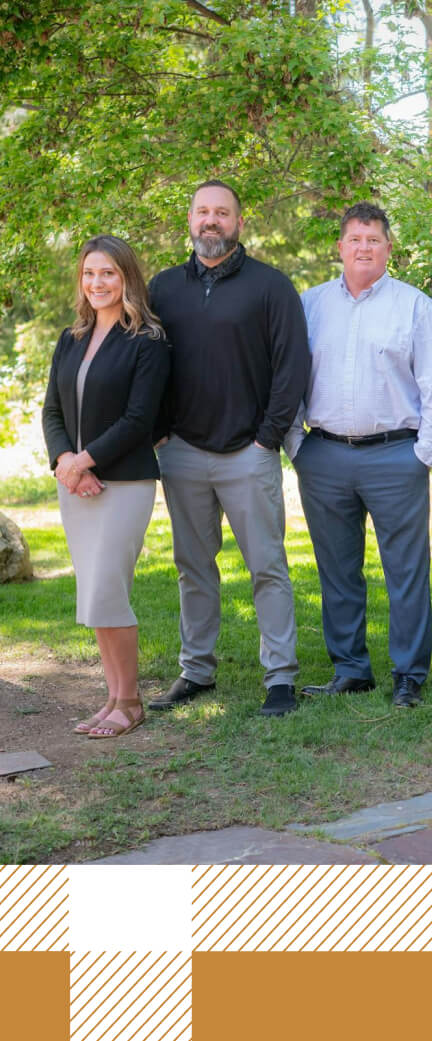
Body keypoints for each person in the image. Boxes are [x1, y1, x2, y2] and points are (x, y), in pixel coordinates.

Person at [286, 202, 432, 709]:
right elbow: (288, 381)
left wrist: (420, 456)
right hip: (323, 455)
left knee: (405, 572)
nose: (363, 247)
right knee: (337, 570)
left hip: (395, 457)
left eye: (374, 239)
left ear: (389, 249)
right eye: (355, 239)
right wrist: (298, 446)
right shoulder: (308, 306)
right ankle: (351, 669)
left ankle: (409, 674)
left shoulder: (416, 308)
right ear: (339, 247)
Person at [148, 179, 310, 717]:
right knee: (193, 566)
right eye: (202, 212)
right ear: (189, 220)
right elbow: (146, 365)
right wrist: (157, 430)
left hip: (249, 451)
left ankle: (280, 676)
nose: (211, 221)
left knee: (267, 565)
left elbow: (292, 369)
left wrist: (268, 436)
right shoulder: (163, 288)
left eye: (222, 213)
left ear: (239, 223)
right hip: (183, 452)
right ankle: (196, 670)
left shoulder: (271, 286)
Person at [42, 235, 170, 738]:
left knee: (108, 590)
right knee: (93, 595)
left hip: (125, 482)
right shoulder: (71, 337)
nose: (98, 283)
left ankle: (132, 701)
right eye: (90, 273)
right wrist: (65, 462)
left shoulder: (149, 340)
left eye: (109, 273)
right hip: (74, 484)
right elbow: (51, 409)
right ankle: (112, 697)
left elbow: (140, 419)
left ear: (127, 278)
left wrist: (86, 461)